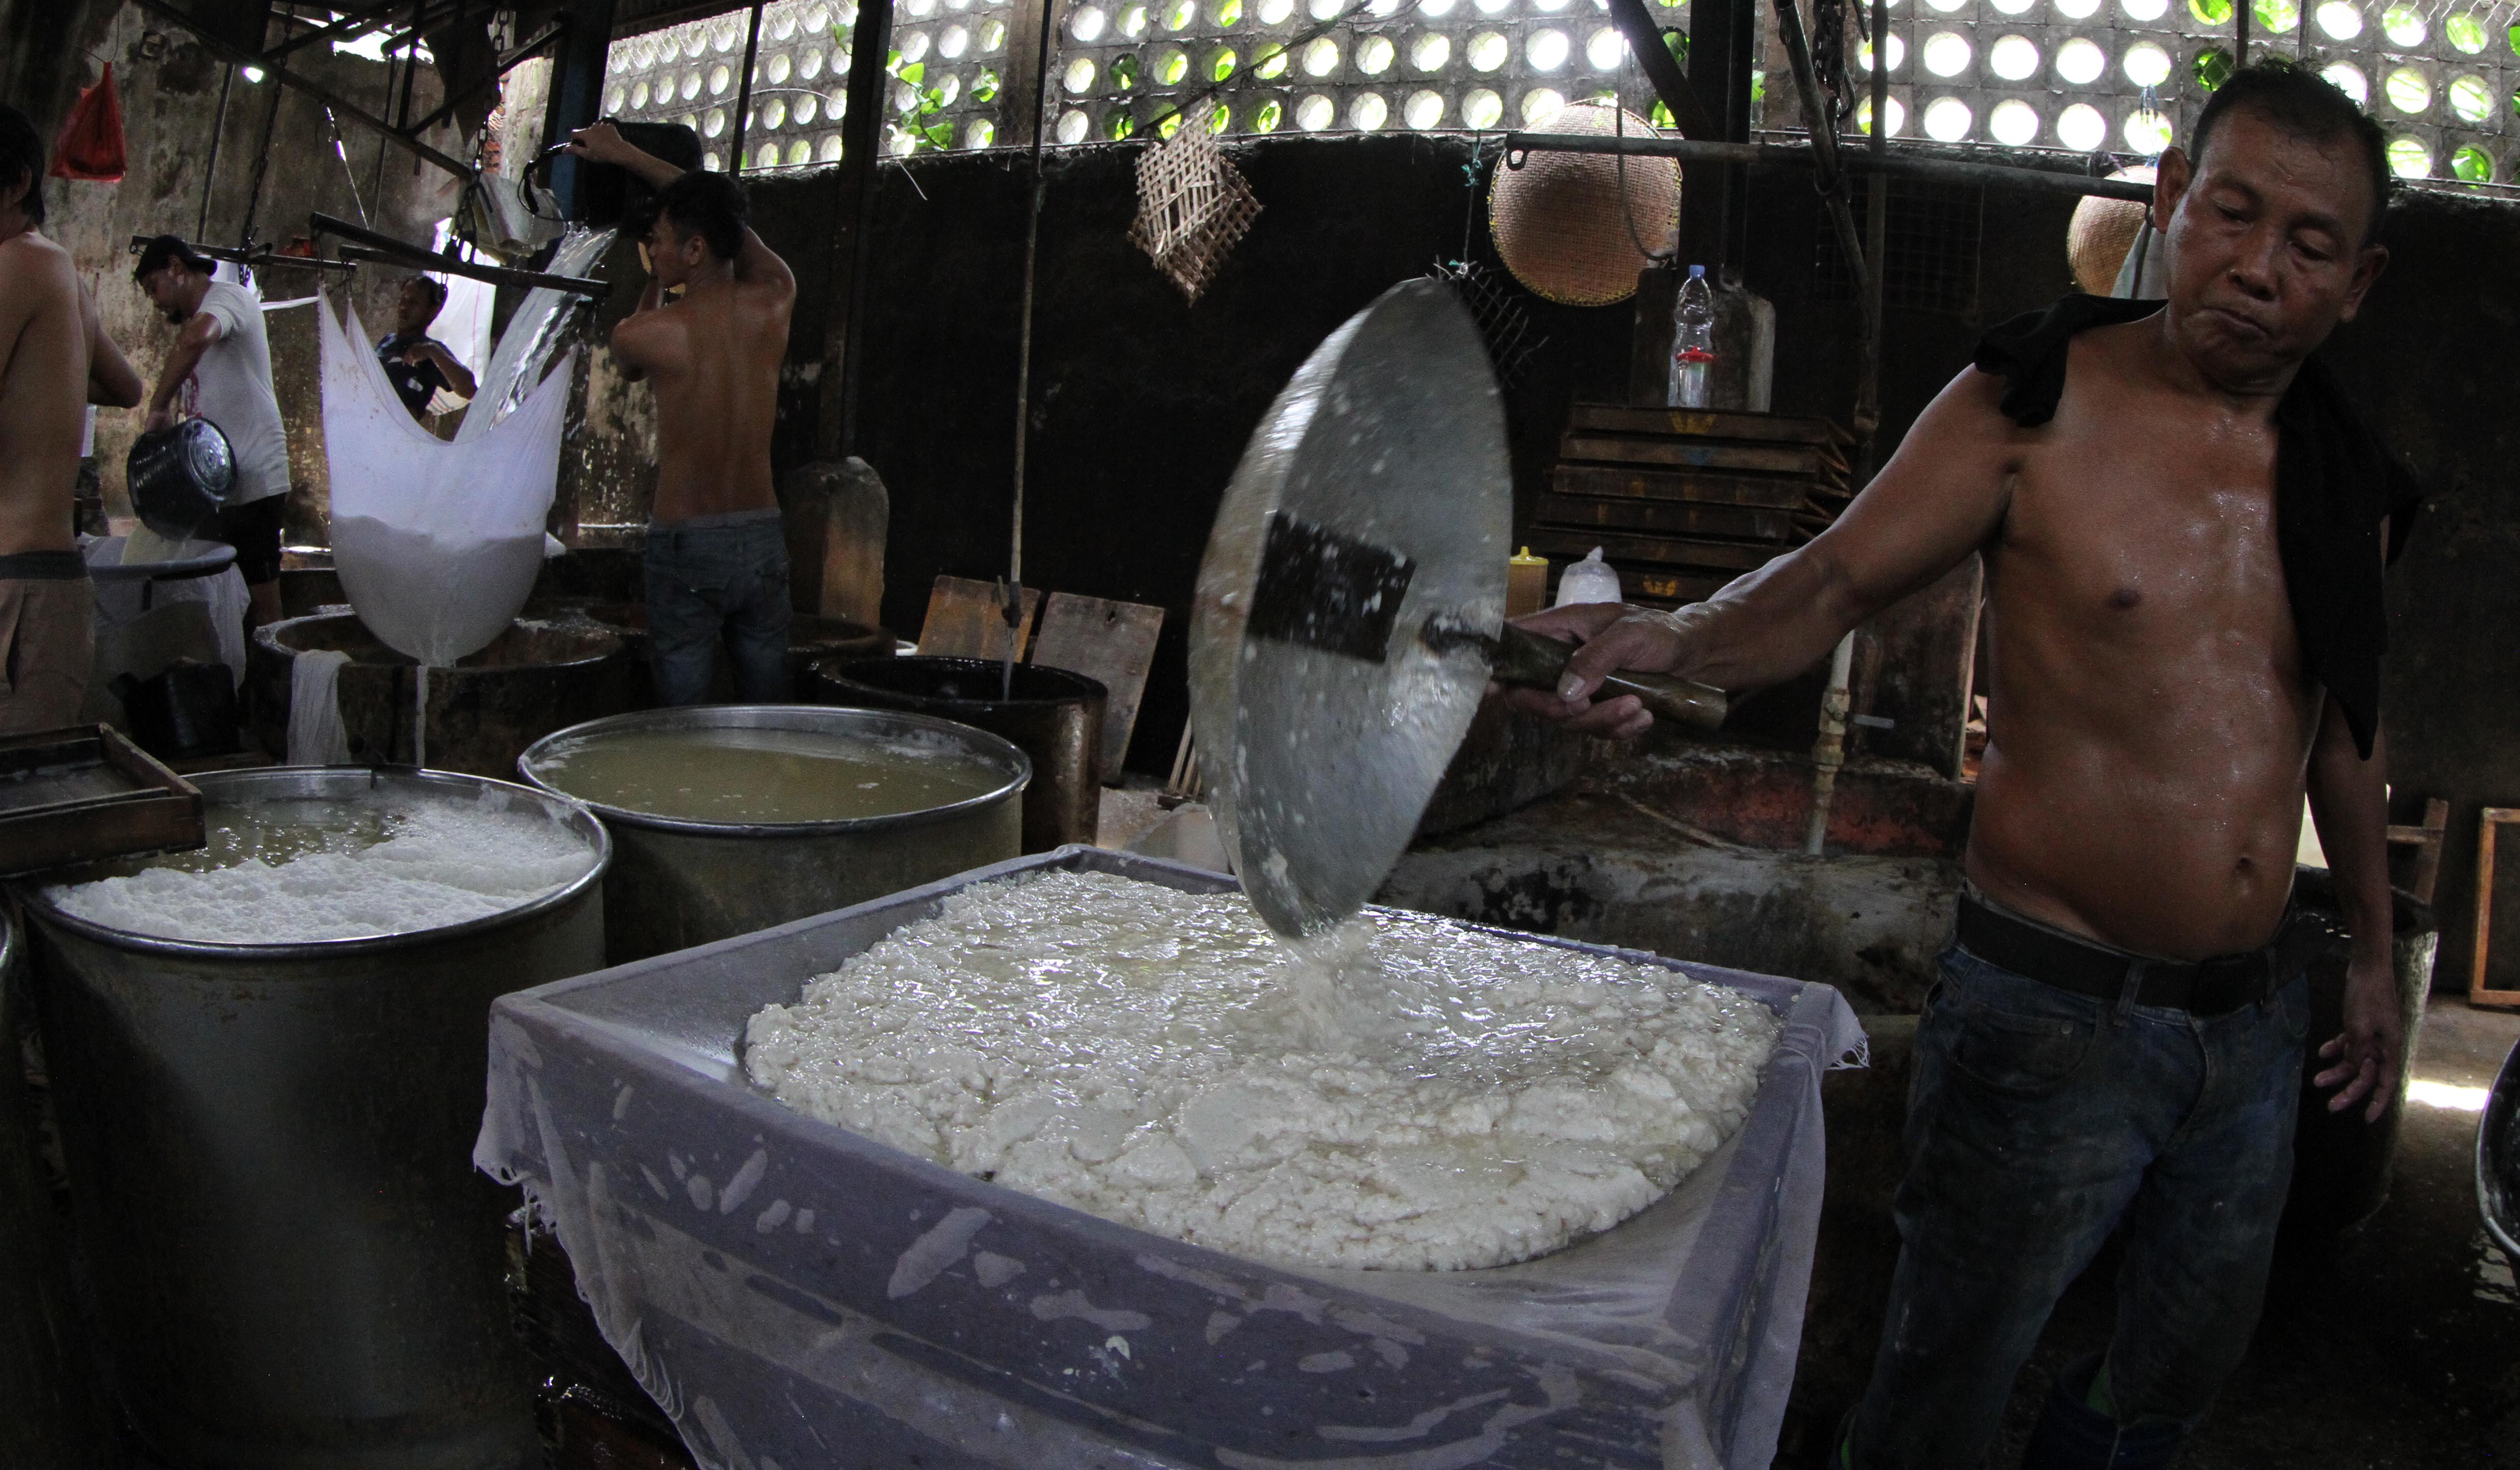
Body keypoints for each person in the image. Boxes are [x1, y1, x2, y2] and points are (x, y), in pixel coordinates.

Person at [1510, 61, 2410, 1470]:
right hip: (2050, 1016)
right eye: (2230, 214)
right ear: (2169, 201)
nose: (2256, 268)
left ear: (2354, 284)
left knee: (2178, 1364)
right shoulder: (2031, 406)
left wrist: (2359, 945)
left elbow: (2344, 725)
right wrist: (1664, 640)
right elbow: (1826, 582)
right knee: (1945, 1376)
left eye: (2306, 247)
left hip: (2247, 1023)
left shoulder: (2338, 471)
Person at [560, 123, 797, 705]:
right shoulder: (775, 298)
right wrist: (633, 158)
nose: (654, 249)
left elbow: (632, 357)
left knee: (682, 717)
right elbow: (732, 231)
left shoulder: (652, 332)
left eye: (663, 240)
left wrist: (654, 284)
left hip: (688, 544)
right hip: (762, 534)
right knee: (768, 707)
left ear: (694, 250)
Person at [0, 104, 143, 735]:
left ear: (17, 184)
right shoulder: (59, 271)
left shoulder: (14, 264)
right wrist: (43, 379)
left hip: (16, 592)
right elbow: (125, 386)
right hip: (49, 580)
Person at [135, 232, 291, 633]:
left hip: (255, 477)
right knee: (224, 601)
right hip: (220, 487)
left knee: (263, 604)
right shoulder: (192, 326)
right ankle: (237, 686)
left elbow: (196, 338)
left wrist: (157, 407)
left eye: (155, 287)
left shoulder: (228, 298)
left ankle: (274, 690)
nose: (155, 301)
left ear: (177, 268)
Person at [376, 275, 478, 422]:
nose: (404, 306)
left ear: (432, 311)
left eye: (414, 302)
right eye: (403, 298)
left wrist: (432, 351)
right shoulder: (387, 342)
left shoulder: (429, 352)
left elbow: (469, 389)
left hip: (393, 435)